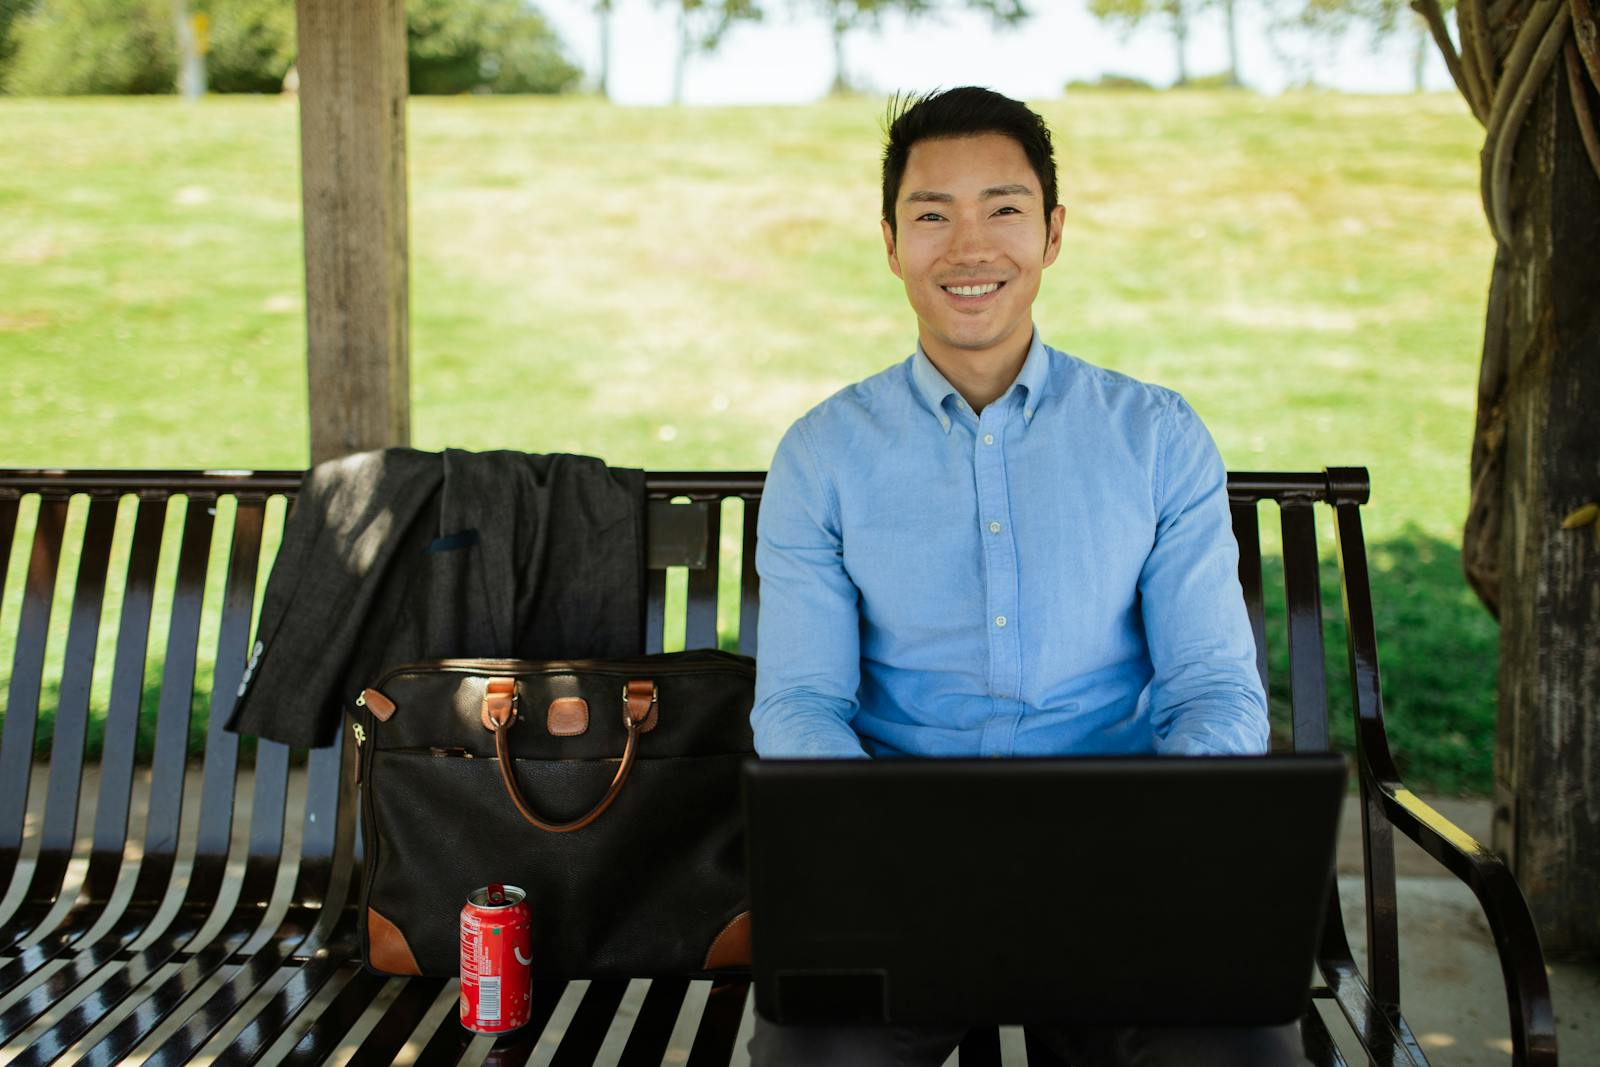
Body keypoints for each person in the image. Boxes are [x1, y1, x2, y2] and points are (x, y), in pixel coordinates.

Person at [748, 87, 1305, 1066]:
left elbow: (1214, 685)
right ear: (889, 241)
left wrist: (1158, 829)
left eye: (1002, 209)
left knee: (1238, 1054)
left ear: (1051, 233)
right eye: (932, 215)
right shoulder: (821, 455)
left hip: (1123, 870)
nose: (969, 246)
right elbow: (800, 699)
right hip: (898, 880)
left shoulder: (1155, 437)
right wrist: (877, 845)